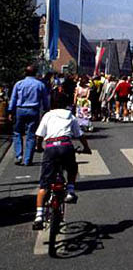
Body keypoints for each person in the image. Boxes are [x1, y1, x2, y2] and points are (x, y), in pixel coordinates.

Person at [31, 88, 91, 229]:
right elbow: (80, 135)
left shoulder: (48, 115)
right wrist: (86, 148)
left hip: (51, 148)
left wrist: (39, 147)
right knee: (72, 168)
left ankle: (38, 217)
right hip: (66, 145)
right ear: (66, 104)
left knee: (44, 185)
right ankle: (70, 190)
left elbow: (39, 135)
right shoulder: (70, 116)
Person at [8, 66, 50, 166]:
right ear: (35, 73)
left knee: (17, 132)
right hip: (33, 110)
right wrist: (46, 110)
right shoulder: (40, 85)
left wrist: (10, 111)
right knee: (31, 134)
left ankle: (18, 155)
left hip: (20, 109)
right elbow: (45, 99)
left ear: (25, 73)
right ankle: (28, 159)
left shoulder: (19, 84)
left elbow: (13, 98)